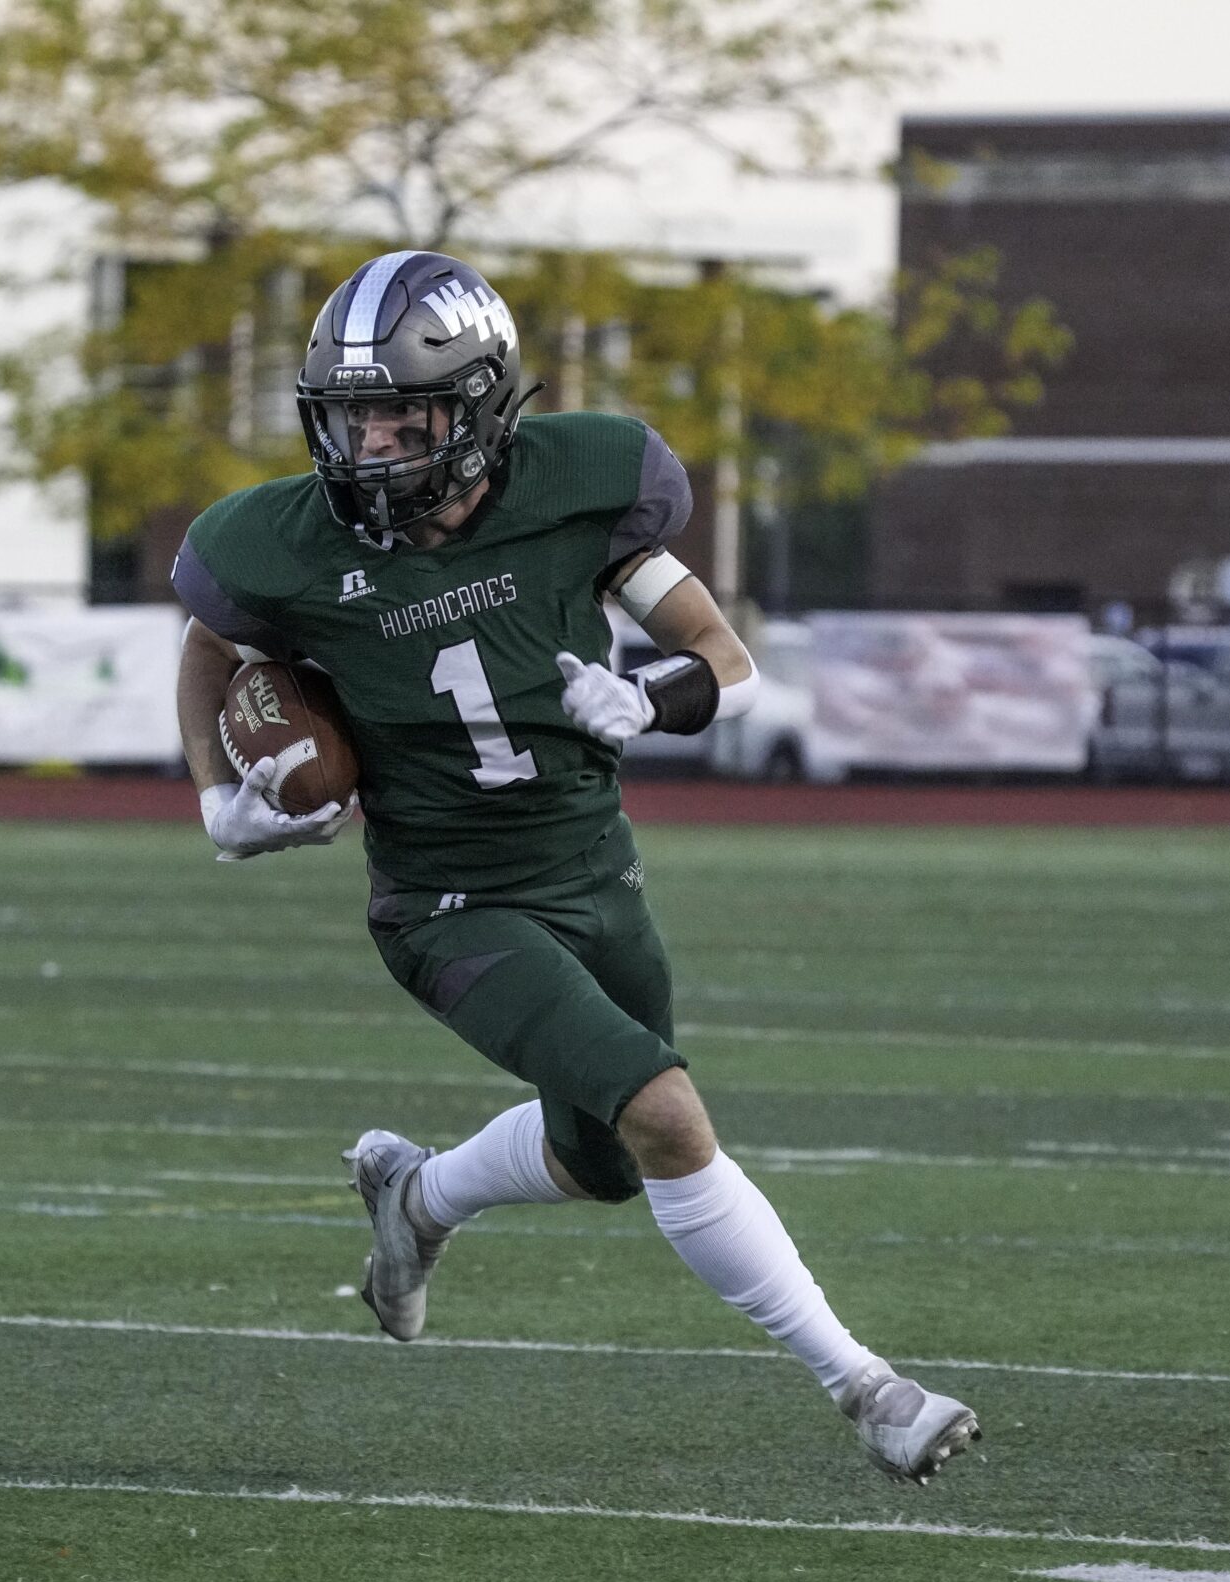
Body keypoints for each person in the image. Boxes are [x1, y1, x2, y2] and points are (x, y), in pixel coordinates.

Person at [171, 250, 978, 1484]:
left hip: (593, 874)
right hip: (445, 903)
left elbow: (725, 654)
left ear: (481, 406)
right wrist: (216, 797)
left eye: (401, 414)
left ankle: (420, 1197)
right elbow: (207, 643)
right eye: (350, 418)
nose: (371, 447)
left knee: (603, 1159)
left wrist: (653, 700)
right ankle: (865, 1387)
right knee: (664, 1113)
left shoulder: (581, 485)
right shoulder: (279, 541)